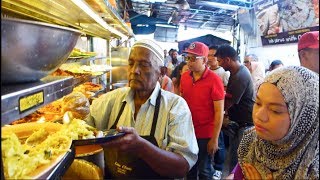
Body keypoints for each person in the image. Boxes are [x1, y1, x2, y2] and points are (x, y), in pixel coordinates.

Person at [86, 39, 199, 179]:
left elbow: (182, 167)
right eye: (131, 63)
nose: (135, 71)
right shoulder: (112, 100)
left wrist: (141, 147)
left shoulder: (175, 106)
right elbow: (81, 128)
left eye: (144, 65)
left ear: (161, 72)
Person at [227, 66, 319, 179]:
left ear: (303, 119)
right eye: (258, 103)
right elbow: (236, 173)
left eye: (275, 111)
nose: (259, 116)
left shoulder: (313, 168)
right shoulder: (251, 141)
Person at [180, 42, 225, 179]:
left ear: (204, 60)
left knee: (204, 169)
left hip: (205, 133)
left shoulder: (215, 80)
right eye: (187, 58)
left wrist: (215, 138)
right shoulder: (185, 77)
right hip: (188, 131)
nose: (189, 62)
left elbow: (219, 112)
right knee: (189, 167)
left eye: (193, 59)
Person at [214, 45, 255, 173]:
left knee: (237, 159)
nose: (219, 64)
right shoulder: (235, 72)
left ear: (227, 60)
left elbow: (228, 103)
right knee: (234, 155)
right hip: (238, 121)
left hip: (244, 123)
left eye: (220, 61)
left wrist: (216, 111)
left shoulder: (240, 76)